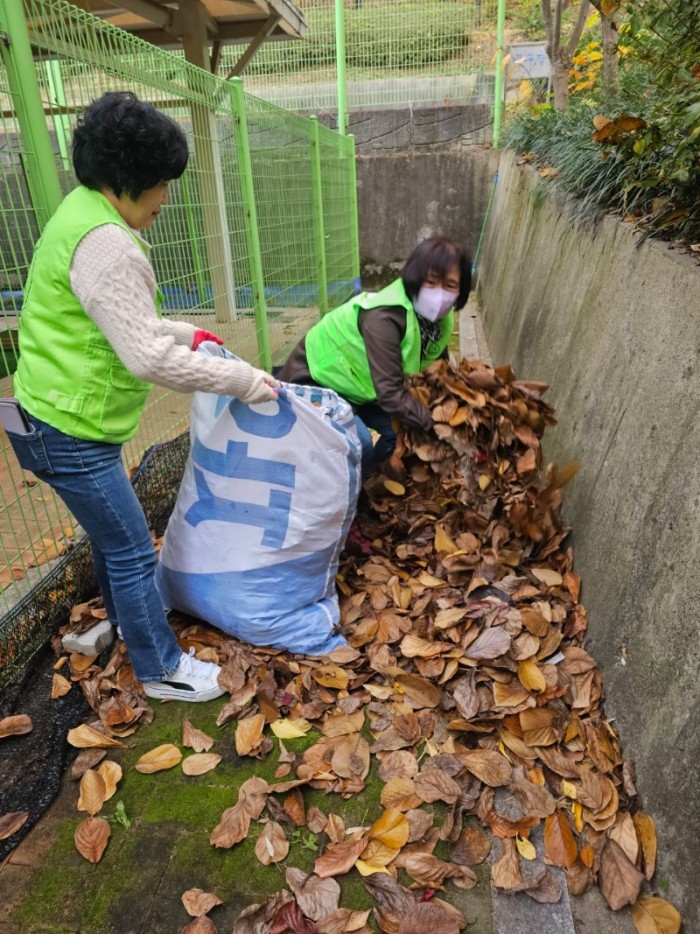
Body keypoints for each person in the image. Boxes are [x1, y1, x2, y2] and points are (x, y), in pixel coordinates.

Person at [7, 91, 278, 703]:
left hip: (47, 416)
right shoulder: (108, 246)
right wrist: (242, 381)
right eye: (161, 184)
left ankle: (126, 624)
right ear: (130, 180)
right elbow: (146, 355)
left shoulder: (81, 213)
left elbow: (118, 322)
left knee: (113, 540)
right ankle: (161, 669)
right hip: (67, 431)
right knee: (131, 547)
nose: (165, 198)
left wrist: (191, 333)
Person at [278, 235, 471, 474]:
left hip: (361, 389)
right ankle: (346, 496)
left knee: (396, 437)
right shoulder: (384, 318)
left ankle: (369, 488)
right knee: (359, 443)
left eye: (450, 285)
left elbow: (437, 365)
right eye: (431, 282)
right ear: (415, 277)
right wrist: (440, 427)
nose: (440, 294)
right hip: (316, 379)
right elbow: (390, 393)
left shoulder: (439, 321)